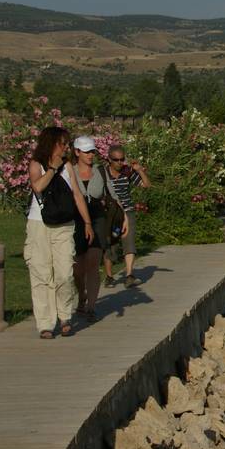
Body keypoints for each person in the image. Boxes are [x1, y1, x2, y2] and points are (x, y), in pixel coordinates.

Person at [25, 126, 91, 339]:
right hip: (39, 224)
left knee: (64, 272)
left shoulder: (68, 166)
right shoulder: (36, 164)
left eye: (67, 144)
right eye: (63, 144)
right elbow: (37, 187)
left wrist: (87, 222)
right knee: (41, 274)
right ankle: (45, 323)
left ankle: (65, 316)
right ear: (51, 143)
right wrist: (52, 169)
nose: (66, 148)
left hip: (64, 225)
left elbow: (77, 195)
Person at [69, 136, 113, 323]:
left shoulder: (100, 171)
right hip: (76, 219)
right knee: (78, 266)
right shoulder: (69, 171)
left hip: (97, 218)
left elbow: (112, 194)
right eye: (86, 152)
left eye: (92, 151)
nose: (90, 155)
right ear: (77, 152)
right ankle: (82, 294)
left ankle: (91, 307)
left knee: (93, 263)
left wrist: (125, 216)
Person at [102, 143, 148, 289]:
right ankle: (109, 276)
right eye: (116, 160)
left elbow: (146, 185)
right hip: (111, 214)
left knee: (129, 242)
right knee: (111, 244)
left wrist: (139, 171)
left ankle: (129, 275)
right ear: (109, 159)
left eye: (122, 159)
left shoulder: (127, 172)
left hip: (127, 210)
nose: (120, 163)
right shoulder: (103, 173)